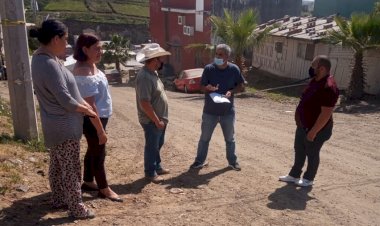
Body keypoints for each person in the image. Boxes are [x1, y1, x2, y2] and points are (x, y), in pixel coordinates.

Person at [30, 19, 97, 219]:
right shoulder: (48, 63)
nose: (67, 43)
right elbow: (65, 99)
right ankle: (76, 208)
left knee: (58, 166)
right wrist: (87, 109)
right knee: (71, 169)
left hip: (56, 124)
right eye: (65, 39)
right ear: (55, 38)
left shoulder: (41, 58)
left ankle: (59, 198)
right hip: (64, 125)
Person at [73, 33, 122, 202]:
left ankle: (87, 181)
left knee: (92, 150)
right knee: (99, 152)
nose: (100, 51)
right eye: (97, 48)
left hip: (99, 116)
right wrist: (100, 131)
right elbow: (90, 106)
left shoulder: (91, 66)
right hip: (92, 119)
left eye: (101, 47)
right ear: (85, 49)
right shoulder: (83, 71)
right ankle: (104, 188)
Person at [279, 55, 339, 187]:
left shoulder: (329, 86)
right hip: (303, 125)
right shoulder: (315, 80)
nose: (311, 68)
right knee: (299, 150)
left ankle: (308, 178)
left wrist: (313, 132)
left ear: (321, 68)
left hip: (317, 128)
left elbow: (326, 113)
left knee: (312, 152)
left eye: (313, 66)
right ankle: (294, 175)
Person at [190, 44, 245, 171]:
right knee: (204, 139)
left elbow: (241, 86)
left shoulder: (234, 69)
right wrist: (208, 88)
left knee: (230, 139)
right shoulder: (209, 69)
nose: (217, 56)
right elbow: (202, 87)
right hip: (210, 112)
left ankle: (233, 162)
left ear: (227, 56)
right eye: (216, 54)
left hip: (228, 112)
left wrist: (231, 91)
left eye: (220, 54)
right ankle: (199, 161)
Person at [135, 43, 171, 183]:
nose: (162, 61)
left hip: (159, 119)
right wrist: (156, 120)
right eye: (160, 59)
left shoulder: (153, 73)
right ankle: (150, 172)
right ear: (154, 60)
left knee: (157, 144)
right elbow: (145, 102)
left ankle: (157, 166)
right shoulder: (144, 77)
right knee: (152, 146)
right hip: (151, 120)